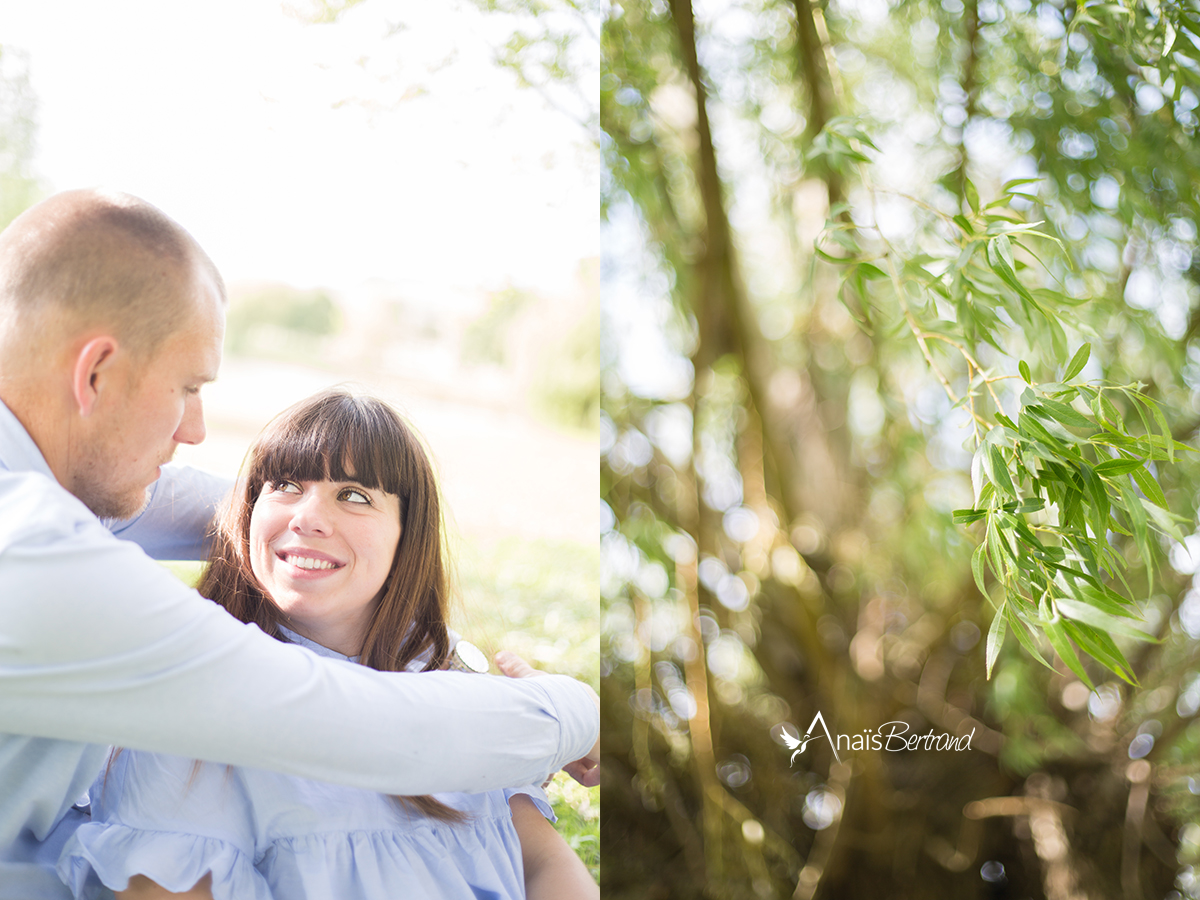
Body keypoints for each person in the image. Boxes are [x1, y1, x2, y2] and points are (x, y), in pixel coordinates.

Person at [0, 190, 599, 900]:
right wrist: (574, 711)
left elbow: (196, 503)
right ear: (94, 373)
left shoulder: (43, 494)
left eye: (356, 497)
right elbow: (351, 723)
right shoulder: (31, 551)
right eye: (188, 387)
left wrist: (300, 520)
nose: (193, 428)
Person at [59, 389, 598, 900]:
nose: (310, 517)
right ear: (247, 510)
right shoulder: (187, 715)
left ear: (407, 535)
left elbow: (542, 864)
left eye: (354, 496)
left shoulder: (451, 684)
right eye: (285, 485)